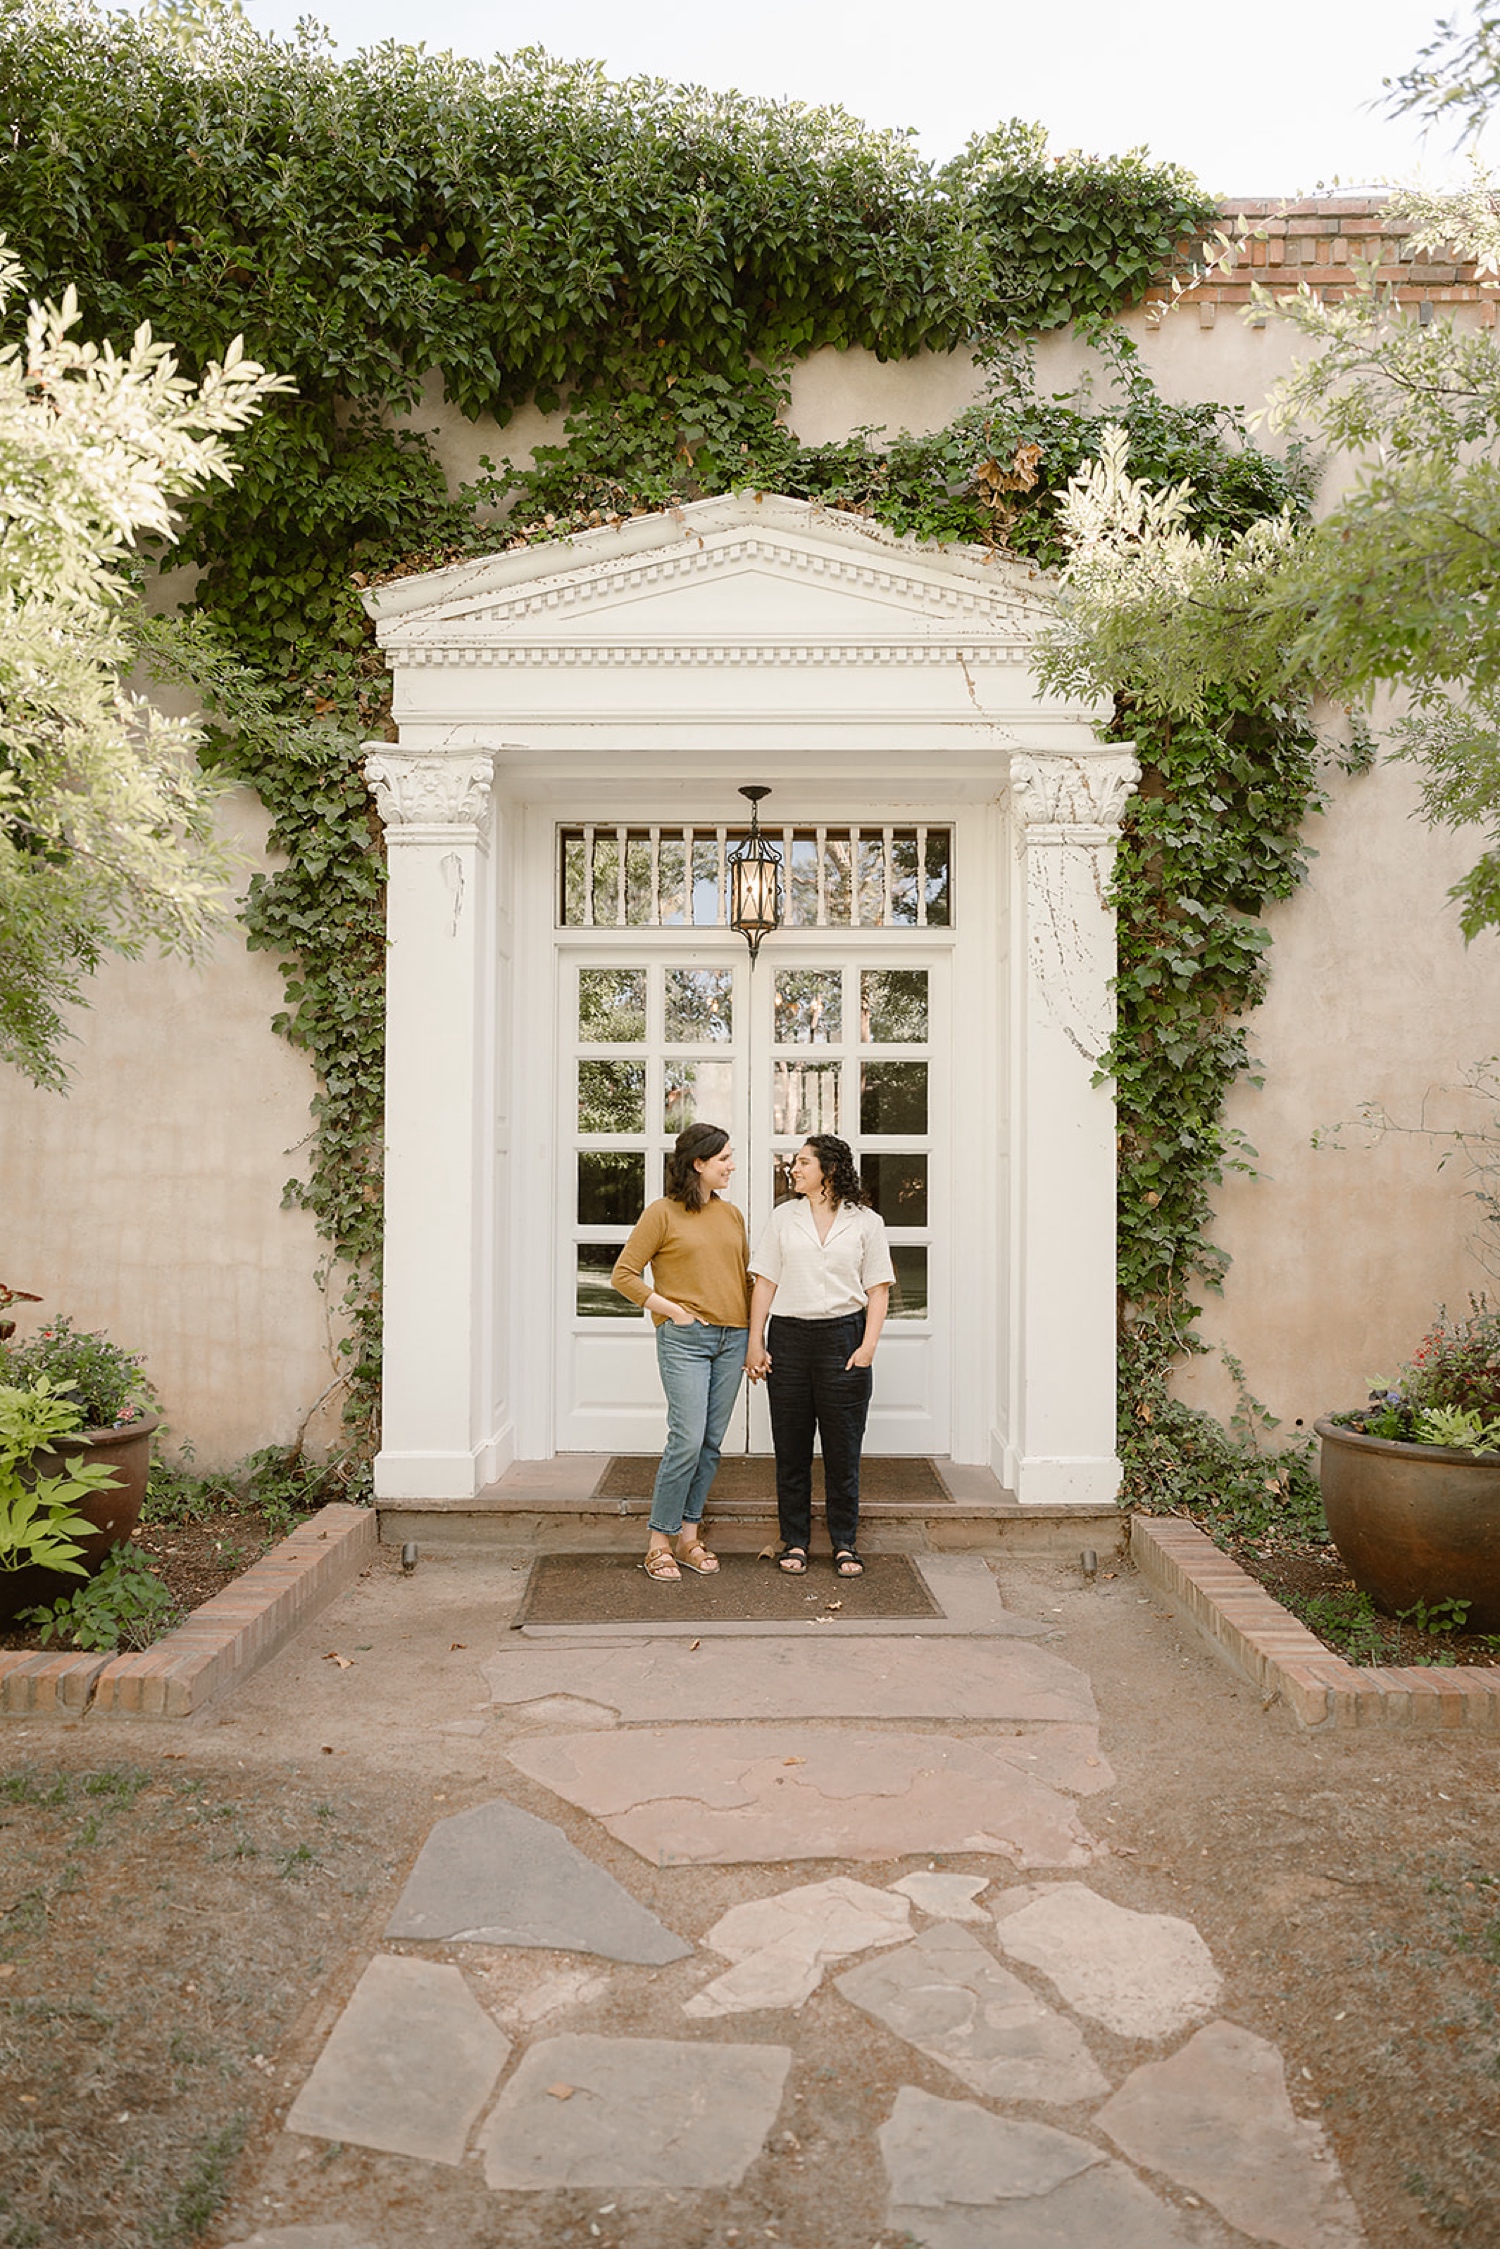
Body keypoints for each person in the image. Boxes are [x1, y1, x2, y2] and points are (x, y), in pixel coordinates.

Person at [746, 1134, 893, 1577]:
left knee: (842, 1449)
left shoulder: (866, 1222)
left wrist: (867, 1348)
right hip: (789, 1338)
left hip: (844, 1338)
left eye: (804, 1162)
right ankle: (795, 1541)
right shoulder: (783, 1218)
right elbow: (765, 1281)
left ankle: (845, 1543)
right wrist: (757, 1341)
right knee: (791, 1448)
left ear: (828, 1169)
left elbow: (878, 1289)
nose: (795, 1169)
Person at [611, 1122, 750, 1582]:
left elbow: (743, 1281)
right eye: (725, 1158)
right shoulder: (662, 1214)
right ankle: (658, 1541)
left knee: (710, 1444)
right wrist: (672, 1310)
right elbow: (624, 1275)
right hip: (686, 1342)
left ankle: (689, 1538)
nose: (732, 1165)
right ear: (699, 1163)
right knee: (686, 1440)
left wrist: (755, 1340)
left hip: (733, 1339)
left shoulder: (731, 1216)